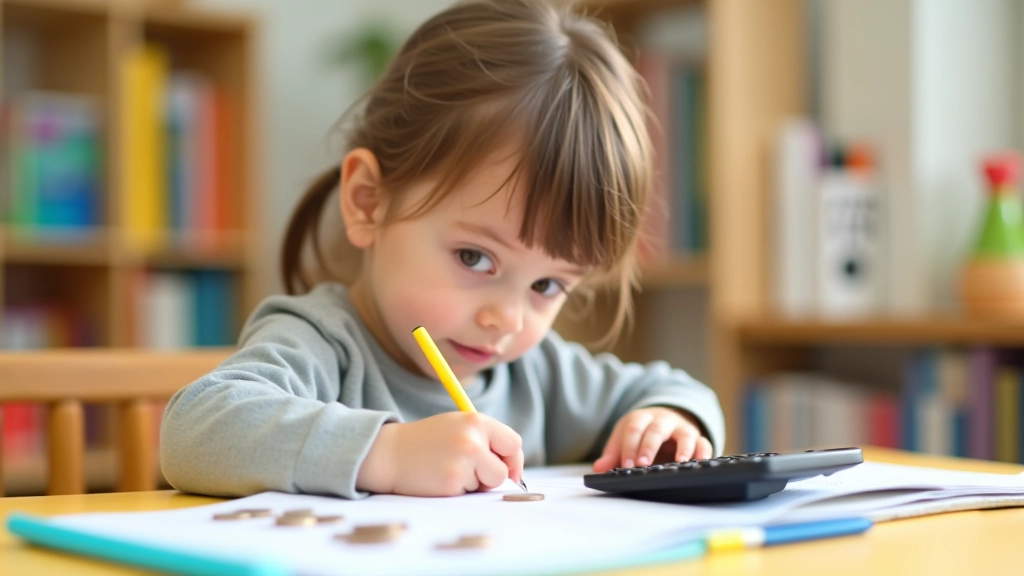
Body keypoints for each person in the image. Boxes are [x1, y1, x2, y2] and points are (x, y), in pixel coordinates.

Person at [160, 0, 724, 499]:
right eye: (475, 258)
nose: (505, 318)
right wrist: (388, 454)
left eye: (546, 285)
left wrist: (666, 420)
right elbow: (195, 430)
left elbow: (672, 388)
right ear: (367, 202)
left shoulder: (537, 370)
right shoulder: (325, 343)